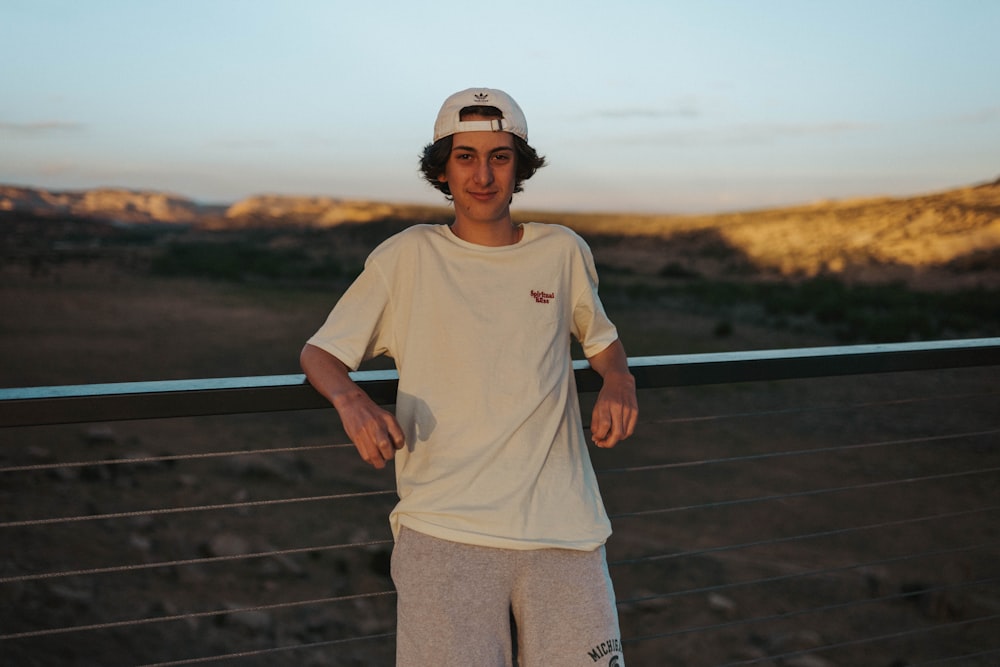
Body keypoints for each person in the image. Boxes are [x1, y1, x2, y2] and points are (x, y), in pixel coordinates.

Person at [300, 87, 637, 667]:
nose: (483, 175)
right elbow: (321, 353)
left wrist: (618, 382)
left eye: (500, 157)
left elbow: (602, 342)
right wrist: (352, 401)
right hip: (443, 532)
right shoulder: (406, 256)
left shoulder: (562, 251)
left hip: (566, 531)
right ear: (443, 169)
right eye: (466, 157)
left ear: (519, 166)